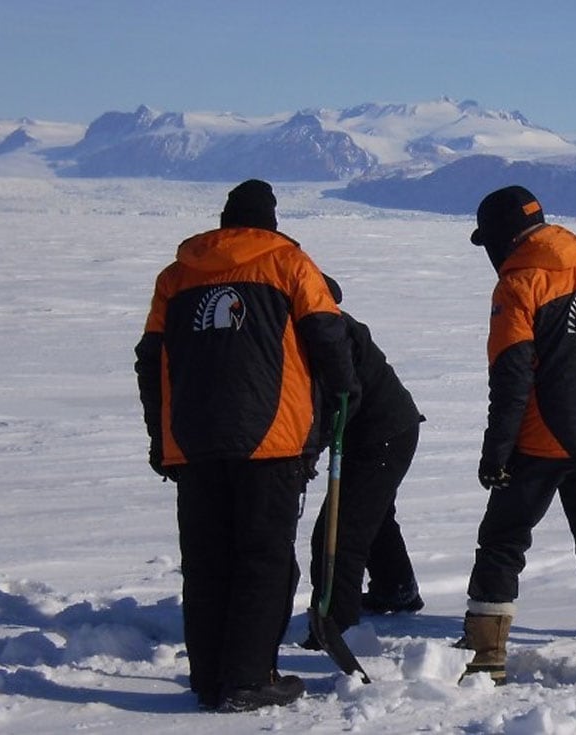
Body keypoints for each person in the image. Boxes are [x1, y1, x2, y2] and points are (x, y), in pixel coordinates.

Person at [135, 179, 356, 711]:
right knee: (263, 560)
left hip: (193, 442)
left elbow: (150, 361)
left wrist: (159, 437)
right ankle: (249, 678)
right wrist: (345, 394)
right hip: (271, 440)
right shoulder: (288, 264)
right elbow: (329, 335)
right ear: (270, 222)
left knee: (207, 560)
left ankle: (209, 675)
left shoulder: (176, 276)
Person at [457, 185, 576, 684]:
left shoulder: (519, 285)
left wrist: (496, 451)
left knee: (502, 540)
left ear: (502, 235)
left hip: (541, 439)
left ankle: (486, 656)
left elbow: (512, 378)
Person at [302, 273, 425, 649]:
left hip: (383, 434)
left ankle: (336, 626)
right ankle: (395, 588)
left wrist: (309, 450)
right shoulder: (319, 330)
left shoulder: (332, 336)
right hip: (383, 431)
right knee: (372, 514)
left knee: (338, 532)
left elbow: (340, 400)